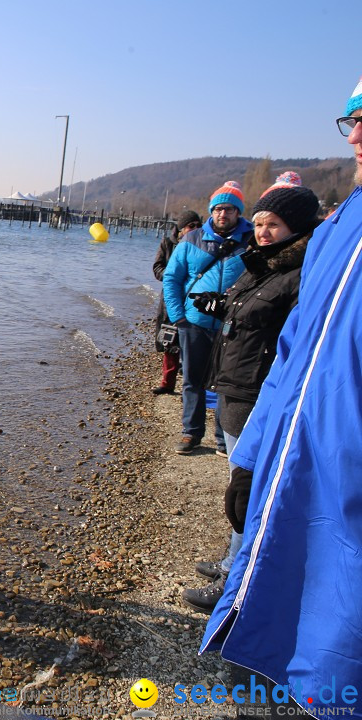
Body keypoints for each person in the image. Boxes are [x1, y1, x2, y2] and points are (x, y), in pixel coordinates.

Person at [199, 77, 362, 715]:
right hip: (293, 469)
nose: (356, 134)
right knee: (266, 636)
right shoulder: (338, 230)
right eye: (350, 117)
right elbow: (295, 354)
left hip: (346, 483)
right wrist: (252, 456)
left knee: (337, 652)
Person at [179, 174, 319, 614]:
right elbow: (245, 314)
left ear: (296, 228)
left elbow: (290, 338)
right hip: (234, 389)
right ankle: (231, 561)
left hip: (259, 394)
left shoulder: (299, 275)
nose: (262, 231)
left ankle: (236, 586)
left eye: (273, 224)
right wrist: (216, 306)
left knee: (248, 491)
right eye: (259, 222)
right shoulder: (260, 265)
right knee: (240, 486)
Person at [162, 181, 251, 455]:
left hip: (231, 324)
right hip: (194, 323)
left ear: (238, 212)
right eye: (218, 209)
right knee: (192, 380)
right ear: (211, 211)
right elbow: (171, 278)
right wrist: (179, 318)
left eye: (229, 209)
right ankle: (191, 433)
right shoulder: (191, 240)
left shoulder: (251, 242)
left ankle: (224, 438)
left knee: (227, 382)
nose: (223, 214)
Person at [152, 210, 201, 394]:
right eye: (191, 226)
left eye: (198, 226)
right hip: (171, 300)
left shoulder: (203, 244)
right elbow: (157, 268)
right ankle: (167, 383)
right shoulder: (167, 244)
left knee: (192, 345)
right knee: (169, 342)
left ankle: (190, 388)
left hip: (193, 302)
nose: (195, 229)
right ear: (181, 229)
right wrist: (173, 276)